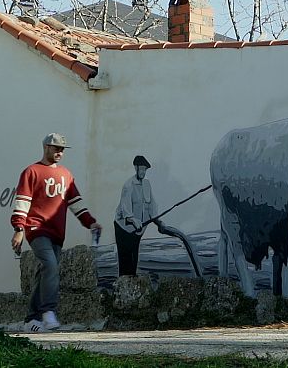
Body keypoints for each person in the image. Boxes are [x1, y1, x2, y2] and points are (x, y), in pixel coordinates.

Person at [11, 133, 102, 333]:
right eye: (56, 148)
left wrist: (91, 223)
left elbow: (76, 203)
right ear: (46, 147)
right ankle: (48, 311)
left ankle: (31, 319)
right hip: (36, 228)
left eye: (62, 149)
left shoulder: (66, 175)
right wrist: (19, 229)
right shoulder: (31, 171)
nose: (60, 152)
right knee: (51, 265)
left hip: (57, 232)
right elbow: (22, 201)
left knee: (44, 272)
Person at [113, 155, 202, 276]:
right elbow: (126, 211)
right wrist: (134, 220)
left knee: (134, 260)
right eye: (141, 169)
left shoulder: (147, 184)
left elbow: (152, 207)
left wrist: (159, 222)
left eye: (145, 170)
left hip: (137, 230)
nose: (143, 172)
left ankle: (131, 283)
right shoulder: (128, 186)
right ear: (136, 168)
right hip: (124, 229)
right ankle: (124, 286)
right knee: (125, 262)